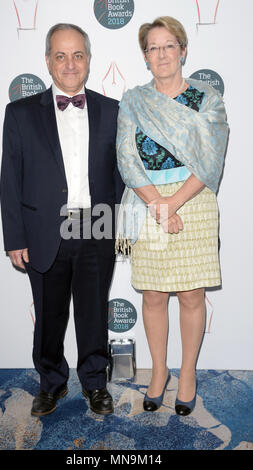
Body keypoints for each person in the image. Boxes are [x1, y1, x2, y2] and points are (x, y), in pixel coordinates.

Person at [0, 23, 124, 417]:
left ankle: (94, 383)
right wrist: (15, 237)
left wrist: (113, 219)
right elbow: (10, 179)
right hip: (43, 231)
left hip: (95, 225)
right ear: (48, 61)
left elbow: (122, 174)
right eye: (60, 55)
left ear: (88, 60)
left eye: (78, 55)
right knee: (49, 317)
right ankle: (50, 384)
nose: (69, 64)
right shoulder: (19, 113)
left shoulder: (112, 110)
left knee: (93, 313)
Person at [116, 16, 229, 416]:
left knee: (192, 294)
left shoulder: (207, 101)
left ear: (182, 50)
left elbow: (211, 161)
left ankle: (187, 374)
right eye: (152, 48)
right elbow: (127, 160)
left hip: (193, 201)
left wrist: (174, 204)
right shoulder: (133, 100)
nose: (161, 54)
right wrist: (158, 205)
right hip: (147, 202)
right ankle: (160, 371)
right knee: (152, 293)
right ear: (145, 57)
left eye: (169, 46)